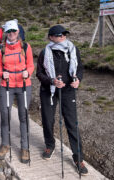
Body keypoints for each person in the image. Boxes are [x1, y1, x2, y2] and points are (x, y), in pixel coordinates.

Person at [36, 25, 88, 175]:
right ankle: (50, 145)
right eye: (59, 35)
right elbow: (39, 73)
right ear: (51, 37)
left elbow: (79, 69)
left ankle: (78, 158)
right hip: (49, 90)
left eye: (64, 35)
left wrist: (78, 80)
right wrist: (52, 81)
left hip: (68, 90)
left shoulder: (73, 49)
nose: (63, 37)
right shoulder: (44, 52)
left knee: (72, 123)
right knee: (47, 119)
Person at [0, 19, 34, 163]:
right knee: (5, 115)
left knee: (23, 116)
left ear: (18, 31)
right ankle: (5, 144)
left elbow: (30, 65)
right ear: (6, 33)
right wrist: (1, 74)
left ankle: (25, 147)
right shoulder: (1, 49)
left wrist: (27, 73)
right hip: (6, 86)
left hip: (24, 85)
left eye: (13, 31)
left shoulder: (26, 46)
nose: (11, 33)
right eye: (8, 31)